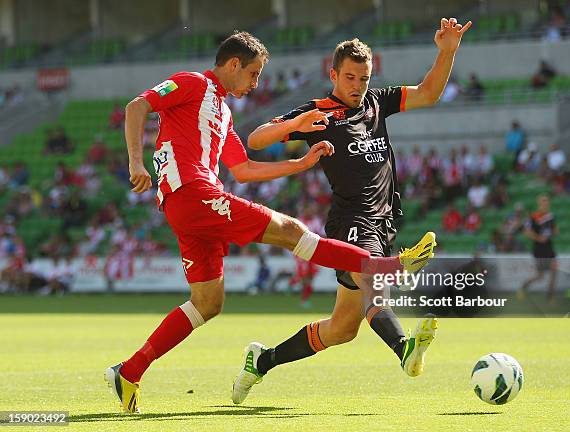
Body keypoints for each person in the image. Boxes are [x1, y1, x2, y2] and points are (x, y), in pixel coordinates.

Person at [105, 31, 431, 414]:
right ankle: (389, 266)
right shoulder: (192, 83)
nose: (256, 84)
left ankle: (130, 371)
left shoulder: (223, 113)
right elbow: (136, 106)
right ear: (233, 64)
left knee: (208, 303)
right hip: (192, 193)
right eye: (254, 74)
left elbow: (242, 169)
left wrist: (299, 164)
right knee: (292, 231)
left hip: (192, 211)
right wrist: (136, 161)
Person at [238, 18, 471, 404]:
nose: (358, 87)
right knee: (372, 283)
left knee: (343, 328)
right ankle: (404, 349)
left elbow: (429, 92)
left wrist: (447, 52)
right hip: (350, 222)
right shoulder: (318, 112)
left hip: (384, 222)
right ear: (333, 74)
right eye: (350, 78)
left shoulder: (377, 101)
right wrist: (296, 123)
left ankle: (261, 361)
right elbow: (256, 139)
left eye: (364, 78)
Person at [518, 194, 558, 302]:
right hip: (539, 249)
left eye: (547, 201)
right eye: (544, 201)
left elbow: (554, 230)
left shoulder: (550, 216)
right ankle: (524, 286)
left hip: (549, 247)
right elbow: (526, 232)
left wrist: (554, 232)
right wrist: (539, 238)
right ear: (539, 203)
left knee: (554, 271)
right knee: (540, 275)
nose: (546, 203)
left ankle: (550, 296)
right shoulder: (533, 217)